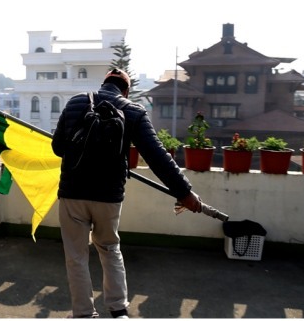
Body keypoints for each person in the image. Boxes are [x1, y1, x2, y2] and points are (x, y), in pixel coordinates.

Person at [52, 69, 203, 319]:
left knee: (76, 257)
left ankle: (83, 314)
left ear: (103, 84)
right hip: (108, 197)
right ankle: (118, 310)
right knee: (110, 249)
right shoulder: (133, 111)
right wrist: (184, 192)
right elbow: (157, 156)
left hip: (73, 194)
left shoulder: (76, 102)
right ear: (126, 91)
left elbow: (57, 147)